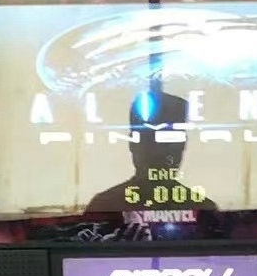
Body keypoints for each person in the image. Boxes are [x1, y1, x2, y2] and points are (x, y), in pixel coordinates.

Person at [86, 90, 220, 218]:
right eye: (149, 139)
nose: (159, 150)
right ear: (132, 143)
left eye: (170, 139)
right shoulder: (203, 209)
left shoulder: (105, 204)